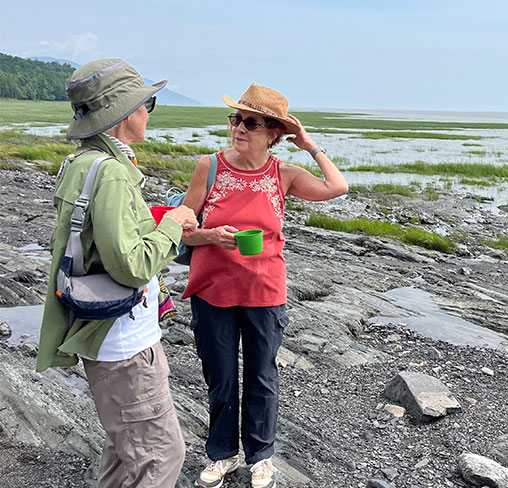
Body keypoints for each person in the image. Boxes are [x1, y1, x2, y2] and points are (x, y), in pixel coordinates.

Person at [36, 58, 198, 487]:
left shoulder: (83, 162)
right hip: (123, 344)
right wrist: (173, 223)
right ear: (127, 113)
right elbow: (132, 267)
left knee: (125, 451)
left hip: (108, 336)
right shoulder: (110, 174)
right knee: (162, 457)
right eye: (149, 103)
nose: (149, 112)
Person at [180, 83, 348, 488]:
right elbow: (183, 228)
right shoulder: (211, 165)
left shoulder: (284, 175)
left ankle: (261, 457)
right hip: (211, 290)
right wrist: (210, 236)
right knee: (220, 377)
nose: (239, 127)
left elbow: (337, 188)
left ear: (274, 133)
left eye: (251, 122)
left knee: (261, 377)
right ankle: (221, 456)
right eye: (236, 118)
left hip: (264, 292)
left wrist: (309, 144)